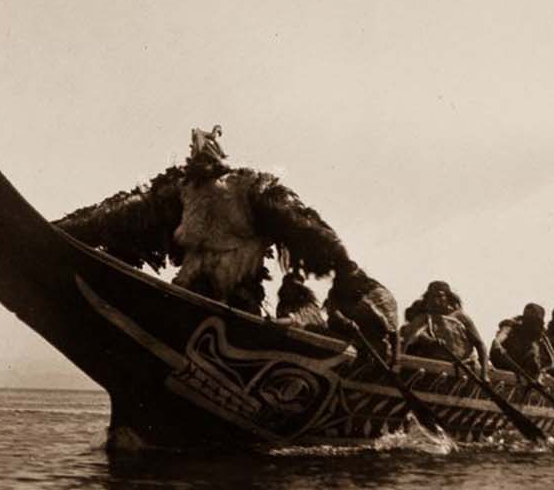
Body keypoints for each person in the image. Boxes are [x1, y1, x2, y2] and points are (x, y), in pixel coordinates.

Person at [55, 125, 352, 314]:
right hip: (192, 290)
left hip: (237, 294)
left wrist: (342, 264)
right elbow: (120, 212)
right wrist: (64, 232)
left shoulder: (251, 186)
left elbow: (302, 222)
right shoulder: (181, 189)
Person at [400, 281, 488, 376]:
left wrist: (484, 373)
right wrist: (428, 340)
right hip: (433, 367)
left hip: (462, 367)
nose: (435, 300)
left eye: (440, 296)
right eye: (432, 296)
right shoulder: (424, 318)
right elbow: (408, 339)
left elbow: (480, 344)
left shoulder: (461, 318)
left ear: (448, 298)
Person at [490, 302, 552, 377]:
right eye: (529, 318)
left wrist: (542, 372)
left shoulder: (540, 336)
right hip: (505, 365)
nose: (531, 323)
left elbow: (550, 361)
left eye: (535, 320)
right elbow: (498, 340)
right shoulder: (511, 326)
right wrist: (498, 345)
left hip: (527, 371)